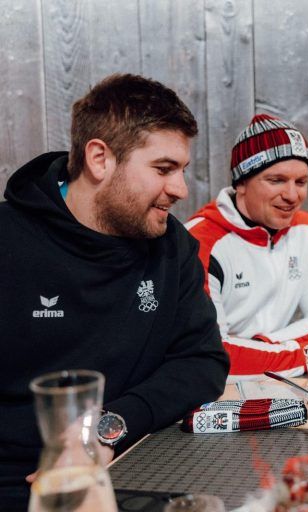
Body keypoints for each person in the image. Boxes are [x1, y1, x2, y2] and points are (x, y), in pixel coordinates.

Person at [0, 74, 229, 509]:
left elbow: (202, 362)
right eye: (163, 169)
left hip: (134, 469)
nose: (180, 189)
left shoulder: (172, 246)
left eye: (182, 170)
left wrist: (109, 427)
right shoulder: (8, 242)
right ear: (100, 158)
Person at [186, 114, 308, 379]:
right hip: (210, 392)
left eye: (301, 182)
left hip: (278, 382)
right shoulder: (197, 242)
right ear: (241, 182)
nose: (292, 195)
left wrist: (259, 348)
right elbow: (211, 353)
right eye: (276, 180)